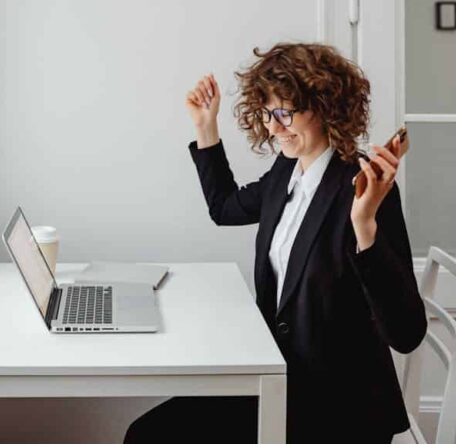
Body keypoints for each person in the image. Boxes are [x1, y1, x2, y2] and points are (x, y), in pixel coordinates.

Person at [124, 42, 427, 444]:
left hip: (338, 406)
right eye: (268, 113)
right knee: (148, 432)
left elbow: (406, 332)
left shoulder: (362, 189)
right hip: (281, 377)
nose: (272, 126)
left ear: (324, 106)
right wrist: (205, 126)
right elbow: (224, 207)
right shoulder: (287, 170)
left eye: (285, 113)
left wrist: (364, 224)